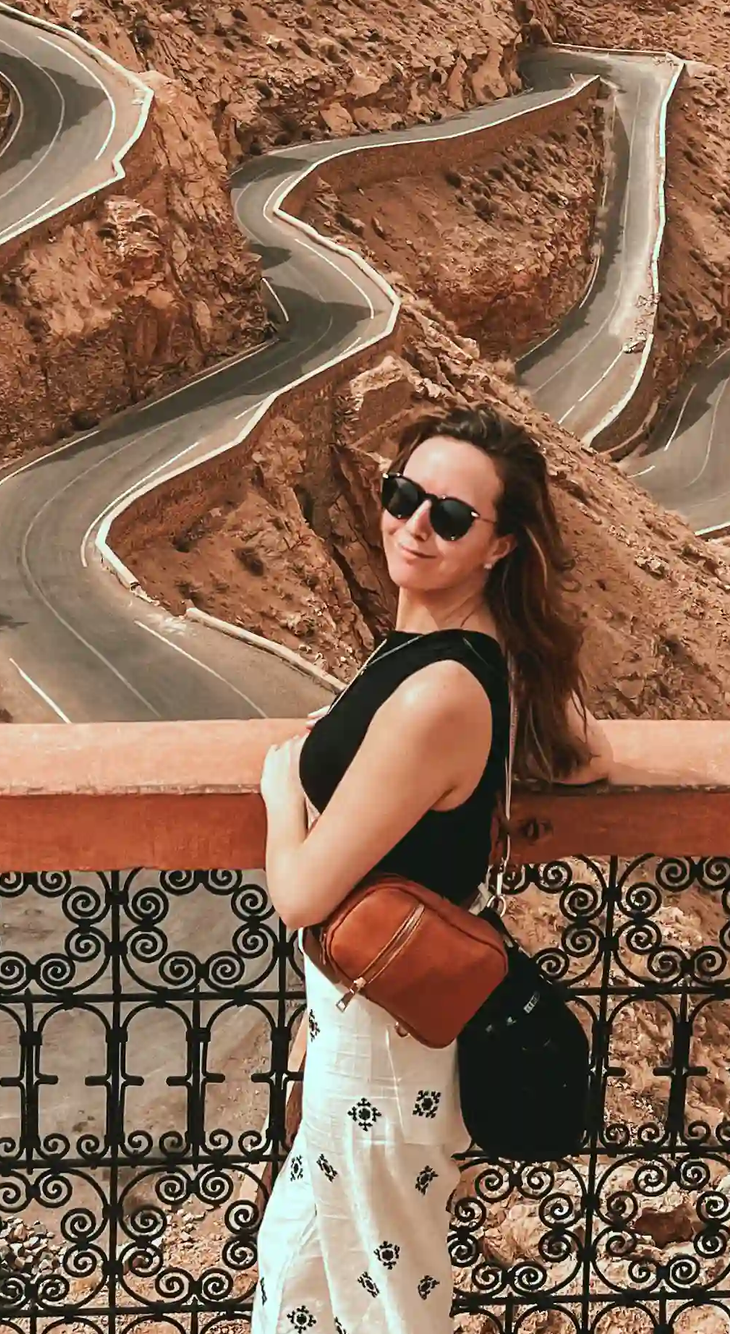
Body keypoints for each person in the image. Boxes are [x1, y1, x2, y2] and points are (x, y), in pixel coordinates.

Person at [253, 404, 610, 1334]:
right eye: (403, 495)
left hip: (383, 1061)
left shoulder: (438, 694)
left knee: (388, 1309)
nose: (415, 524)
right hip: (362, 1034)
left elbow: (299, 893)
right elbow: (587, 754)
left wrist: (280, 787)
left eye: (450, 517)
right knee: (294, 1280)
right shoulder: (465, 651)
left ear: (498, 547)